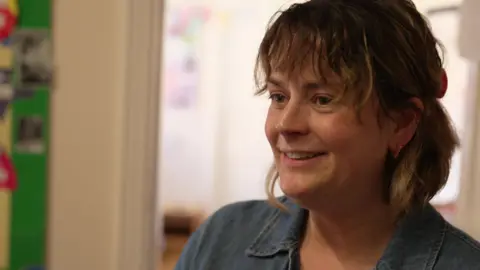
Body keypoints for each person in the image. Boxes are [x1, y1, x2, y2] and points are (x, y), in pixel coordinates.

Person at [174, 1, 480, 269]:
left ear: (401, 123)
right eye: (279, 96)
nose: (286, 125)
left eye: (322, 99)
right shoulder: (221, 240)